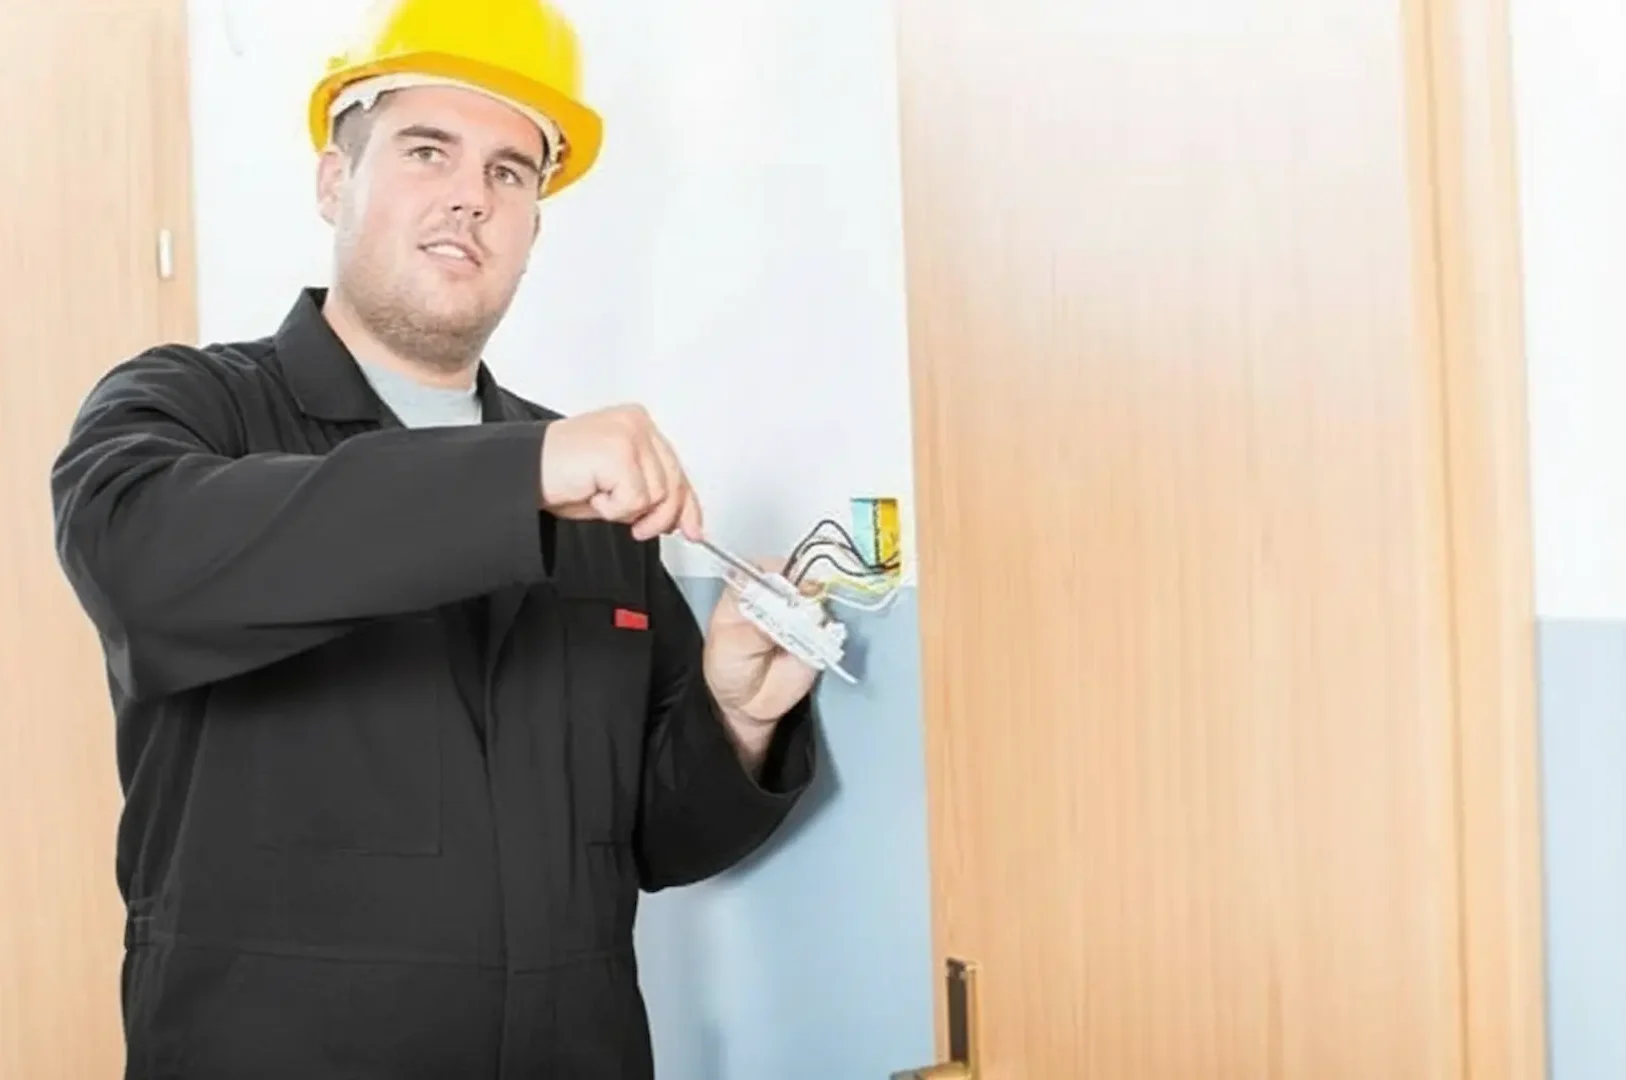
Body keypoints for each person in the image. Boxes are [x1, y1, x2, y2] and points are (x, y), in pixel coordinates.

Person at [49, 0, 819, 1076]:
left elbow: (658, 837)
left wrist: (734, 716)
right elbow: (145, 566)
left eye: (510, 172)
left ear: (534, 229)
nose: (472, 195)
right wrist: (523, 475)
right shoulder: (189, 407)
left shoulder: (591, 490)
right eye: (427, 150)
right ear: (334, 181)